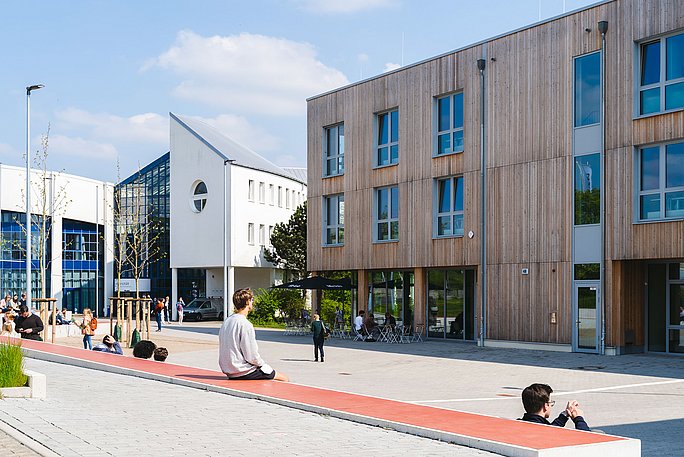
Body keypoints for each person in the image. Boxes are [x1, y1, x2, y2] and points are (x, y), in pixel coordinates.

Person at [219, 288, 288, 381]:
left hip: (229, 371)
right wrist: (262, 365)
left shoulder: (227, 321)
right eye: (252, 300)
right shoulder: (245, 324)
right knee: (284, 378)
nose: (253, 302)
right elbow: (251, 355)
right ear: (247, 302)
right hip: (243, 371)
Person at [520, 383, 591, 431]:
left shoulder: (519, 424)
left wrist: (564, 415)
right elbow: (587, 439)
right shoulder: (544, 431)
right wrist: (579, 419)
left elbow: (551, 429)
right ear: (546, 406)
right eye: (551, 403)